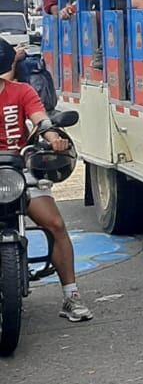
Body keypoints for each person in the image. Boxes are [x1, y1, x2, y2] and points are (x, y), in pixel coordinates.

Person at [0, 40, 91, 322]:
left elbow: (42, 120)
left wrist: (54, 138)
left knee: (55, 224)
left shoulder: (22, 91)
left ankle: (71, 296)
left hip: (16, 171)